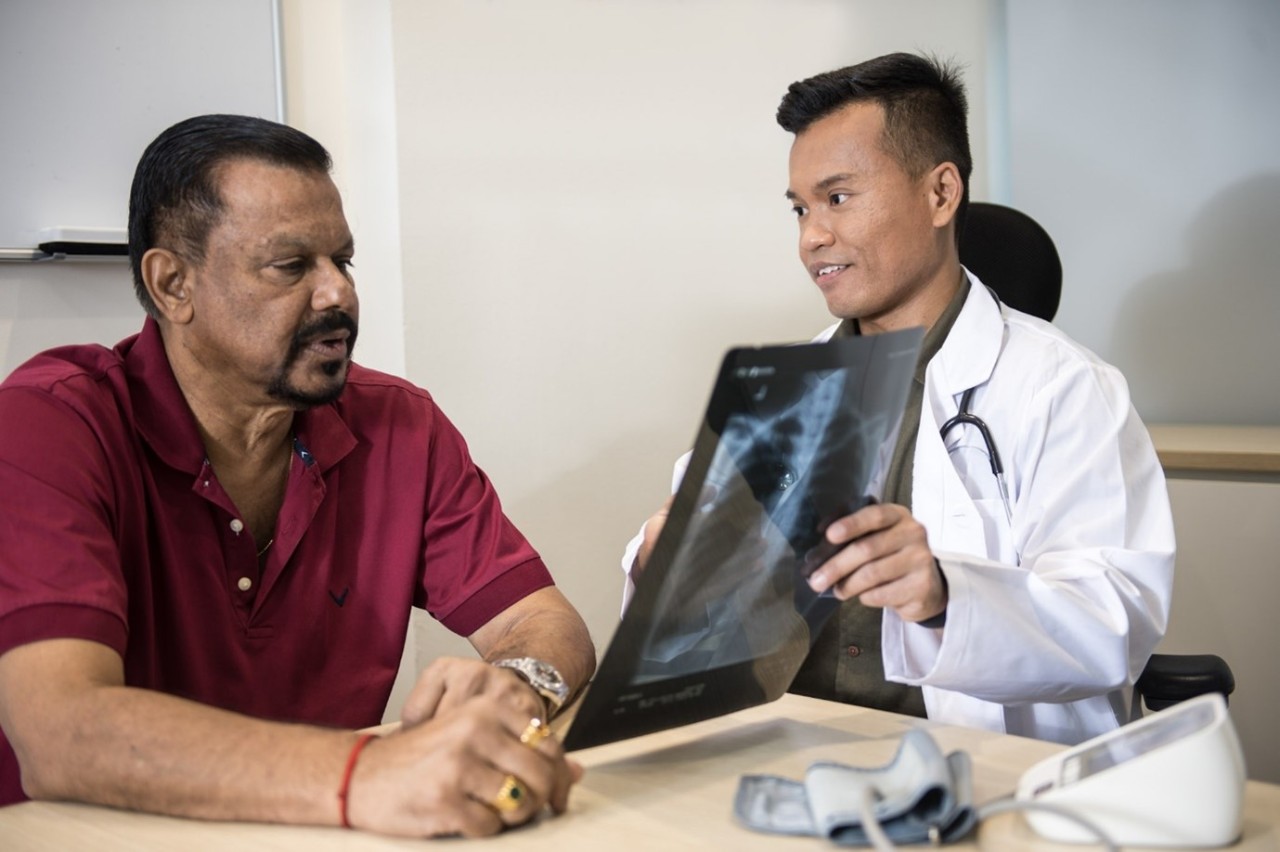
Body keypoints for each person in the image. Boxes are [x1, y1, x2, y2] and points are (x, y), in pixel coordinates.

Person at [0, 114, 596, 837]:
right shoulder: (47, 424)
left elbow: (546, 623)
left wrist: (513, 690)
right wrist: (372, 776)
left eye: (342, 260)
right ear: (172, 284)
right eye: (292, 266)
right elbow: (62, 731)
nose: (336, 294)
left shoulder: (400, 424)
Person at [621, 53, 1174, 746]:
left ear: (941, 194)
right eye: (801, 208)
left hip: (981, 774)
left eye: (839, 197)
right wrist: (664, 564)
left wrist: (947, 593)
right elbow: (692, 612)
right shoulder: (780, 393)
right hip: (787, 757)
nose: (811, 237)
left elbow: (1112, 622)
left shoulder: (1063, 388)